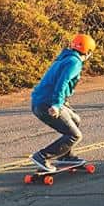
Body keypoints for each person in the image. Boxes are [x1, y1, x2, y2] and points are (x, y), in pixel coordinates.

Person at [29, 33, 96, 172]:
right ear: (88, 52)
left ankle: (66, 156)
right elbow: (62, 83)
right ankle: (42, 156)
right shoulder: (74, 62)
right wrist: (57, 105)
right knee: (75, 135)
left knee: (75, 119)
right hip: (47, 104)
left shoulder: (66, 57)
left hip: (40, 101)